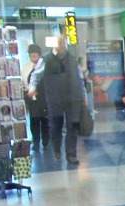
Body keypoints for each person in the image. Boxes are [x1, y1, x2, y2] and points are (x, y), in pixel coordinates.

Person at [27, 35, 87, 165]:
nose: (62, 45)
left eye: (63, 43)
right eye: (59, 43)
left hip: (73, 97)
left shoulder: (72, 58)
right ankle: (56, 147)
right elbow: (36, 76)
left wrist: (84, 96)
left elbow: (79, 78)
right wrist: (32, 88)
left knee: (73, 125)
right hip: (55, 99)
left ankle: (71, 154)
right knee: (56, 126)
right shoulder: (45, 59)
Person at [22, 44, 48, 151]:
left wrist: (38, 91)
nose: (33, 55)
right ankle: (36, 142)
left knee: (45, 121)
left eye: (35, 53)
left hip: (44, 99)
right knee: (34, 122)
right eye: (31, 53)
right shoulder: (26, 67)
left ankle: (45, 142)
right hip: (32, 101)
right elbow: (24, 83)